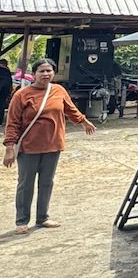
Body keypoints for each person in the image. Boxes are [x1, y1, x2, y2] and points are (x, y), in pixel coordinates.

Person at [3, 58, 97, 234]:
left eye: (49, 71)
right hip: (29, 148)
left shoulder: (59, 90)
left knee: (47, 183)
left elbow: (71, 109)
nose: (45, 74)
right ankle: (22, 221)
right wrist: (9, 147)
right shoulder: (22, 95)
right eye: (41, 71)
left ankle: (43, 217)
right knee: (25, 184)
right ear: (34, 74)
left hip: (53, 145)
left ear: (53, 73)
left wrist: (84, 122)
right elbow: (13, 122)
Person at [0, 59, 12, 125]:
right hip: (4, 91)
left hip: (3, 89)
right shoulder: (7, 71)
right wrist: (9, 92)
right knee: (1, 105)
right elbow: (10, 82)